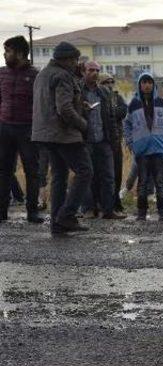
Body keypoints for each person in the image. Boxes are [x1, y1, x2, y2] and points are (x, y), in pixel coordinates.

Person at [32, 41, 93, 234]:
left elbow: (53, 103)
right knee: (85, 170)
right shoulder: (63, 75)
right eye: (75, 60)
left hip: (44, 134)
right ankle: (67, 214)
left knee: (59, 176)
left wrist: (78, 105)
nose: (77, 64)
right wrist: (83, 124)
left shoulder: (42, 74)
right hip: (63, 134)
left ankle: (57, 223)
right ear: (67, 59)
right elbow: (64, 108)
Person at [0, 35, 43, 223]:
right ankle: (2, 211)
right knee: (3, 170)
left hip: (28, 129)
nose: (4, 54)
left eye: (8, 51)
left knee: (32, 171)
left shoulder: (35, 75)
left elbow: (40, 105)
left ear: (19, 53)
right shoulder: (2, 73)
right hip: (4, 128)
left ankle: (32, 211)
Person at [124, 73, 163, 221]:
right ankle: (141, 212)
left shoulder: (161, 102)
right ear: (139, 85)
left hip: (159, 149)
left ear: (153, 85)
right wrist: (132, 143)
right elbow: (127, 124)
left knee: (160, 181)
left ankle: (162, 213)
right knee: (143, 182)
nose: (147, 85)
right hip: (142, 150)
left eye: (149, 82)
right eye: (144, 82)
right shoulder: (133, 104)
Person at [80, 61, 125, 219]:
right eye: (91, 70)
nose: (94, 73)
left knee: (108, 176)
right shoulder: (78, 91)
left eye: (97, 70)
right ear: (84, 72)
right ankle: (89, 209)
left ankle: (108, 209)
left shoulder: (104, 92)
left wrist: (113, 139)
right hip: (86, 141)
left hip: (104, 140)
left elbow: (112, 117)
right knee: (87, 176)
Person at [99, 73, 128, 213]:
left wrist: (110, 112)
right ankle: (104, 202)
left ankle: (116, 201)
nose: (109, 85)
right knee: (105, 175)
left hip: (116, 141)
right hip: (103, 142)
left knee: (117, 173)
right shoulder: (98, 97)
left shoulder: (117, 97)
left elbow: (122, 111)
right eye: (106, 82)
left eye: (111, 82)